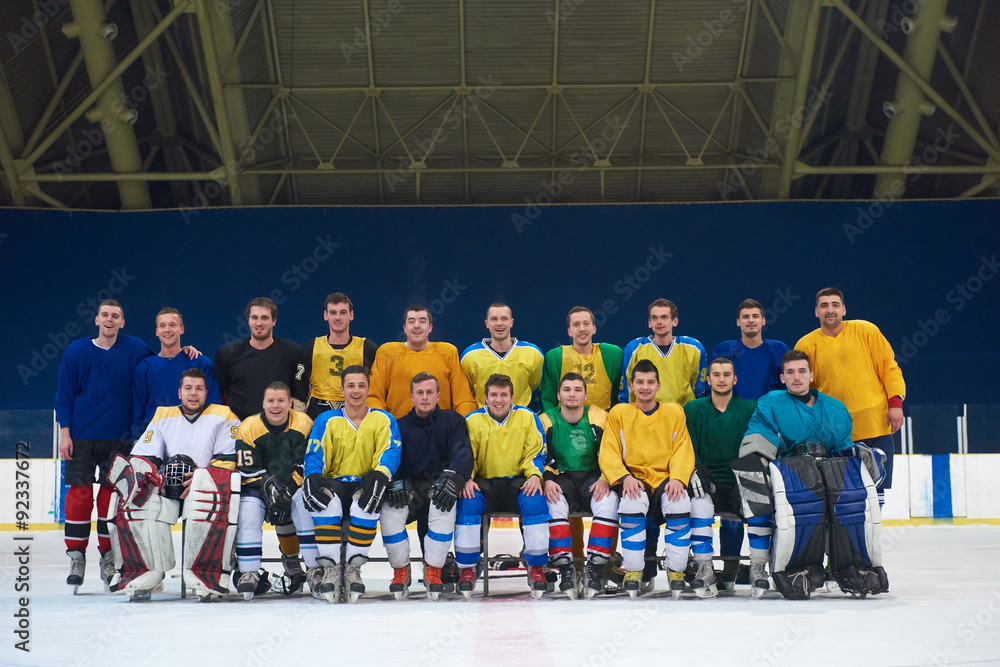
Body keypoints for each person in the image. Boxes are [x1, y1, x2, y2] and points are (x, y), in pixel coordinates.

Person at [734, 350, 888, 599]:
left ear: (811, 375)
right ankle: (769, 566)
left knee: (850, 501)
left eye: (802, 371)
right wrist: (760, 469)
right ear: (782, 377)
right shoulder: (770, 403)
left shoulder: (835, 408)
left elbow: (842, 448)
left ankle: (845, 566)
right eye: (790, 372)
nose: (797, 377)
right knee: (765, 489)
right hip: (789, 476)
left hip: (829, 475)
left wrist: (860, 454)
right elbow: (758, 441)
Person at [110, 368, 240, 601]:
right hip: (167, 488)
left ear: (206, 393)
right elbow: (144, 458)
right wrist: (149, 478)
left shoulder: (224, 415)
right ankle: (146, 570)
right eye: (188, 388)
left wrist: (202, 479)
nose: (193, 393)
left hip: (204, 487)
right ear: (179, 392)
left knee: (205, 498)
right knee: (138, 500)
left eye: (199, 388)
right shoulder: (163, 415)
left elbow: (227, 459)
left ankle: (205, 573)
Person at [55, 299, 153, 592]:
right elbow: (64, 394)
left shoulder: (135, 348)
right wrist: (65, 434)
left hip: (120, 439)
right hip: (82, 437)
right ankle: (76, 557)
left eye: (116, 316)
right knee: (80, 496)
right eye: (105, 315)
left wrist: (187, 354)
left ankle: (109, 558)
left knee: (111, 499)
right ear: (96, 320)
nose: (110, 320)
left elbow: (161, 361)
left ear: (122, 323)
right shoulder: (76, 351)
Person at [292, 365, 401, 603]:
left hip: (366, 481)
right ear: (342, 389)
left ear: (369, 388)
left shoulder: (384, 419)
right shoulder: (325, 419)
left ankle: (353, 570)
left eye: (361, 385)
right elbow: (314, 453)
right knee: (322, 503)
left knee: (367, 503)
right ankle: (330, 568)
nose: (356, 391)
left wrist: (382, 474)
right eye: (351, 385)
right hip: (335, 482)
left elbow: (391, 451)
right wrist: (311, 475)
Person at [795, 287, 906, 508]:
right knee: (842, 495)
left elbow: (889, 369)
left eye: (835, 305)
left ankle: (869, 539)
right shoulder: (806, 345)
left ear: (844, 309)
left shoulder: (867, 331)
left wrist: (895, 404)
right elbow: (805, 391)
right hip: (835, 434)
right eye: (824, 306)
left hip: (876, 426)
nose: (830, 310)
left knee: (877, 492)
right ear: (816, 312)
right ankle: (847, 541)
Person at [600, 360, 695, 599]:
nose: (645, 387)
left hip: (665, 478)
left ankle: (676, 571)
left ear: (658, 385)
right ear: (631, 385)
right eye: (640, 382)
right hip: (634, 478)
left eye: (650, 382)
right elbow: (608, 450)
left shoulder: (673, 411)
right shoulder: (619, 412)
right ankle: (633, 571)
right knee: (631, 504)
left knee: (679, 503)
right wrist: (623, 477)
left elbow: (682, 449)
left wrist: (678, 479)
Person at [378, 372, 474, 600]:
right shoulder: (398, 425)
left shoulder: (453, 421)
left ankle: (434, 569)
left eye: (429, 392)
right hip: (409, 491)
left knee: (444, 504)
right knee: (389, 512)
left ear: (438, 395)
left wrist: (453, 478)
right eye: (419, 393)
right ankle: (400, 570)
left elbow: (463, 453)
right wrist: (395, 481)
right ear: (411, 396)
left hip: (440, 489)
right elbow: (391, 457)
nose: (424, 397)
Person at [453, 374, 550, 599]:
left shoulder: (527, 417)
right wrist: (466, 478)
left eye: (504, 395)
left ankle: (536, 566)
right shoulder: (472, 420)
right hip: (483, 482)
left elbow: (535, 452)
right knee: (467, 503)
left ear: (512, 397)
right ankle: (467, 568)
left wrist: (535, 475)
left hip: (517, 480)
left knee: (535, 501)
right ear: (485, 398)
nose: (499, 400)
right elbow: (467, 456)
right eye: (494, 395)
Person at [539, 372, 618, 599]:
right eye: (567, 390)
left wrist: (606, 476)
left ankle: (595, 566)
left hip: (594, 477)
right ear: (558, 394)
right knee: (553, 503)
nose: (572, 394)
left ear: (585, 395)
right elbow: (540, 454)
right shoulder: (546, 420)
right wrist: (548, 480)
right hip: (561, 477)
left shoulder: (600, 416)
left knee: (609, 501)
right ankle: (566, 568)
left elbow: (612, 452)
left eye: (577, 390)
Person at [682, 358, 757, 594]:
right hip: (707, 478)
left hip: (738, 477)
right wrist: (694, 469)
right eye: (716, 374)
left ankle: (737, 568)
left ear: (735, 379)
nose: (721, 379)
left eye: (727, 374)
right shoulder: (693, 408)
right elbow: (687, 446)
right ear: (708, 379)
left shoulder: (749, 407)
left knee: (757, 506)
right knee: (697, 504)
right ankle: (704, 566)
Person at [233, 382, 313, 599]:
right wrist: (268, 483)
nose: (275, 406)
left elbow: (307, 463)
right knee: (248, 511)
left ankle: (312, 569)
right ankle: (248, 571)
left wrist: (288, 488)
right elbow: (246, 469)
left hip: (292, 485)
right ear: (263, 403)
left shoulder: (304, 423)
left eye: (280, 401)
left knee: (304, 506)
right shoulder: (249, 426)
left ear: (290, 403)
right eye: (270, 401)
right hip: (257, 488)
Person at [368, 306, 477, 418]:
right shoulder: (387, 353)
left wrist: (460, 427)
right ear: (405, 328)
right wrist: (385, 426)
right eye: (411, 321)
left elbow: (464, 400)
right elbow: (373, 396)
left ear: (430, 328)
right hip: (398, 431)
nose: (416, 325)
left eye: (422, 321)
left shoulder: (448, 353)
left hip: (441, 432)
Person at [131, 307, 220, 441]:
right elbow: (137, 410)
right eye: (162, 326)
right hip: (155, 439)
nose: (167, 330)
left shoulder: (201, 363)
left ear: (182, 329)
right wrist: (137, 441)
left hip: (195, 437)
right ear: (157, 332)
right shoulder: (145, 367)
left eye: (172, 325)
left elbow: (214, 407)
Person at [215, 297, 302, 420]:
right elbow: (221, 393)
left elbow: (299, 393)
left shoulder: (293, 353)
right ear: (248, 321)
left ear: (274, 321)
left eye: (264, 318)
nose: (259, 323)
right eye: (254, 317)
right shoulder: (228, 353)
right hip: (238, 429)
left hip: (280, 431)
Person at [294, 292, 377, 419]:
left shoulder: (367, 348)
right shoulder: (311, 347)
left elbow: (377, 391)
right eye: (333, 312)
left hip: (357, 420)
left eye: (343, 312)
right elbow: (300, 391)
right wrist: (299, 422)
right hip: (316, 419)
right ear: (325, 315)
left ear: (351, 315)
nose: (338, 317)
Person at [620, 298, 707, 406]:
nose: (659, 322)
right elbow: (626, 391)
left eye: (664, 317)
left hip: (683, 416)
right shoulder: (634, 349)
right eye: (654, 318)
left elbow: (699, 390)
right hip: (644, 417)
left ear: (675, 321)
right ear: (649, 322)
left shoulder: (694, 348)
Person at [461, 303, 544, 409]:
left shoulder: (533, 353)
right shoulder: (469, 356)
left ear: (511, 322)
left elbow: (534, 385)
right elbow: (466, 392)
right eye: (494, 319)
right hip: (484, 421)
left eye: (504, 318)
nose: (499, 323)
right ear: (486, 323)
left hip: (521, 419)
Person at [540, 306, 623, 411]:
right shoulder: (555, 358)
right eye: (576, 325)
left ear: (594, 328)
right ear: (569, 331)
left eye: (586, 324)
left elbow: (618, 396)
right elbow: (549, 400)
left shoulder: (613, 355)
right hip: (565, 422)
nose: (582, 329)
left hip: (604, 422)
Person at [710, 299, 789, 400]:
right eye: (745, 317)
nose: (751, 320)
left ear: (763, 321)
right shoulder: (723, 349)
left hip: (769, 413)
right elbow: (711, 389)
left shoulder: (779, 349)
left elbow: (788, 389)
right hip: (733, 413)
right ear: (738, 322)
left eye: (755, 316)